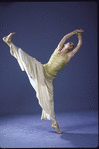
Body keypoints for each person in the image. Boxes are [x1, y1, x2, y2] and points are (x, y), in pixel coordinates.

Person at [3, 29, 84, 134]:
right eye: (70, 43)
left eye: (72, 46)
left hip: (48, 80)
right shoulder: (57, 49)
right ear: (65, 45)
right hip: (42, 70)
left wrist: (79, 36)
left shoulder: (69, 56)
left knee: (49, 101)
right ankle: (9, 42)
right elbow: (64, 37)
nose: (71, 45)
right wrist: (74, 32)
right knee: (27, 59)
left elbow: (79, 44)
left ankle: (55, 124)